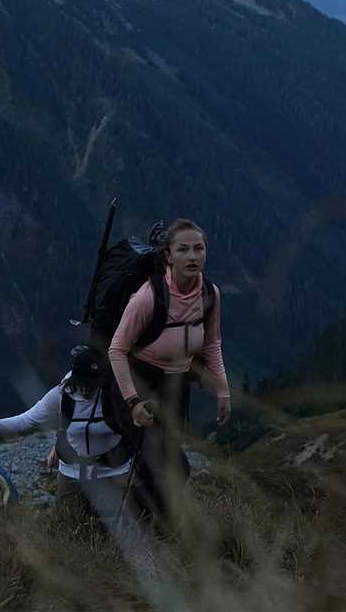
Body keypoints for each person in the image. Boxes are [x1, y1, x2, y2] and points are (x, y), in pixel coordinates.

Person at [107, 217, 231, 521]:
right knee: (167, 463)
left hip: (176, 386)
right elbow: (117, 349)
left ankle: (142, 527)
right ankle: (145, 529)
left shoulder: (210, 295)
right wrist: (133, 403)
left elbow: (212, 343)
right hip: (140, 383)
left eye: (198, 249)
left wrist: (223, 391)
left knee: (162, 461)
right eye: (183, 250)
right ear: (168, 256)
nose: (192, 256)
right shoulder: (147, 298)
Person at [0, 345, 137, 531]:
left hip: (112, 472)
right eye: (82, 383)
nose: (87, 389)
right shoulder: (61, 395)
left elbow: (138, 421)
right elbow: (27, 420)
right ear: (74, 379)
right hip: (73, 473)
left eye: (92, 385)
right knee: (69, 528)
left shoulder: (116, 393)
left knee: (113, 531)